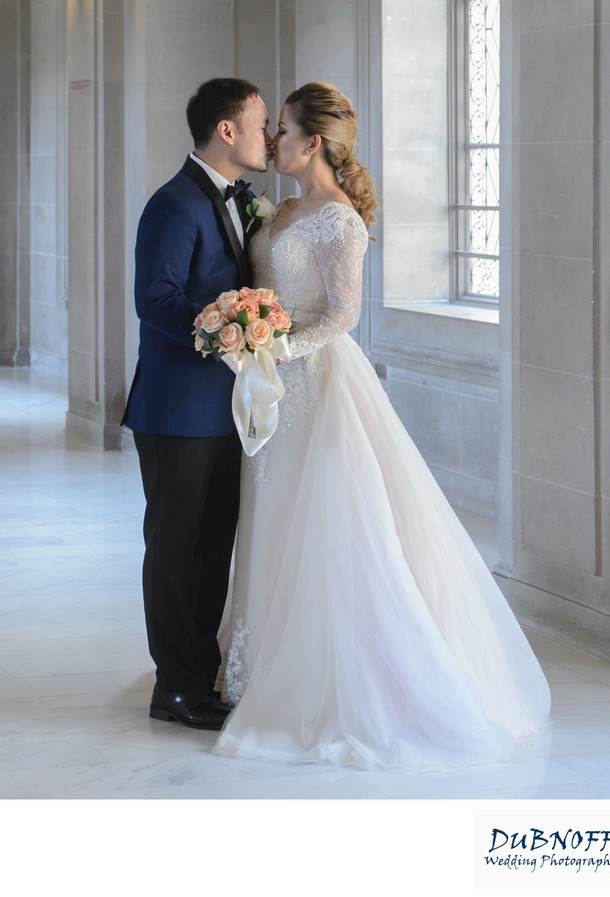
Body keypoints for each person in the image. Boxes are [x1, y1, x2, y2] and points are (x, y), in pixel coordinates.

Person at [213, 81, 551, 771]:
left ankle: (336, 679)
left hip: (320, 382)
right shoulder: (278, 211)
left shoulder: (339, 220)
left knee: (335, 525)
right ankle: (262, 658)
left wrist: (275, 346)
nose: (272, 139)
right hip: (273, 387)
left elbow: (343, 314)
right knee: (274, 514)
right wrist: (253, 338)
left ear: (312, 141)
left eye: (281, 128)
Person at [121, 78, 271, 730]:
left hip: (222, 410)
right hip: (176, 410)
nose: (270, 136)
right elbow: (154, 301)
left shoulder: (239, 200)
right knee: (177, 550)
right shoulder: (174, 203)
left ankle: (198, 673)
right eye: (262, 123)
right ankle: (174, 688)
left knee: (212, 550)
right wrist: (225, 326)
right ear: (227, 130)